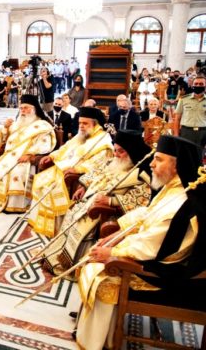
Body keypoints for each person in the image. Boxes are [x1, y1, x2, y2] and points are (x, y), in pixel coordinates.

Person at [75, 135, 203, 350]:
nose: (151, 164)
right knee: (96, 255)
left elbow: (150, 247)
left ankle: (99, 342)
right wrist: (119, 232)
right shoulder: (175, 188)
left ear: (177, 165)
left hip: (165, 274)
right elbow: (147, 213)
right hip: (153, 255)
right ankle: (95, 329)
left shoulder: (182, 205)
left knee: (102, 273)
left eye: (159, 159)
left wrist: (112, 253)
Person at [41, 130, 152, 275]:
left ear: (132, 151)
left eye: (121, 151)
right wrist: (83, 187)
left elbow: (142, 199)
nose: (116, 154)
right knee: (72, 213)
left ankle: (75, 265)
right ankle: (56, 254)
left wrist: (111, 201)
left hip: (105, 211)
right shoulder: (113, 161)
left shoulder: (140, 173)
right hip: (88, 199)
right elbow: (96, 173)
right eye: (115, 150)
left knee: (82, 221)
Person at [29, 107, 113, 237]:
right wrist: (52, 156)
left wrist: (78, 169)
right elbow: (66, 147)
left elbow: (99, 163)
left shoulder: (102, 141)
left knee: (50, 187)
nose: (81, 126)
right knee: (41, 182)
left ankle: (56, 226)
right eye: (80, 123)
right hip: (62, 168)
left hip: (76, 174)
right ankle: (40, 222)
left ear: (95, 124)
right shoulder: (82, 135)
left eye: (85, 123)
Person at [0, 95, 56, 213]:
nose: (23, 111)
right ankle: (2, 201)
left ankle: (15, 204)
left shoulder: (42, 126)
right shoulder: (17, 123)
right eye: (21, 108)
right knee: (0, 166)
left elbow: (45, 144)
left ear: (34, 109)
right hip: (9, 156)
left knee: (16, 172)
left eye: (26, 108)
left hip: (26, 158)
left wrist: (30, 155)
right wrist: (5, 127)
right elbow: (5, 138)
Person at [174, 73, 206, 148]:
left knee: (200, 154)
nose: (198, 86)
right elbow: (177, 119)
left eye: (201, 84)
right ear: (192, 85)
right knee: (185, 154)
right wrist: (176, 135)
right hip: (186, 132)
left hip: (203, 132)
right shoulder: (183, 99)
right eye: (196, 84)